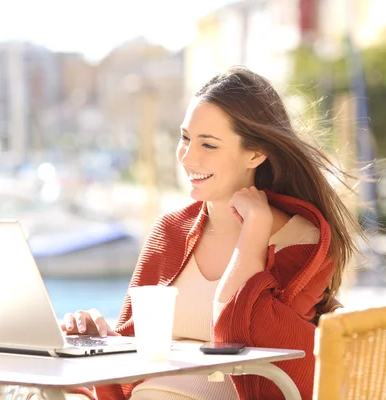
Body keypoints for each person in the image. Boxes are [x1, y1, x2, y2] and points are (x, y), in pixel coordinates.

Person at [62, 66, 364, 400]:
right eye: (185, 138)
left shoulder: (301, 240)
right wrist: (100, 338)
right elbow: (134, 347)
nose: (188, 157)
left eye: (208, 145)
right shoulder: (169, 231)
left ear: (255, 153)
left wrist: (255, 231)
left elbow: (240, 330)